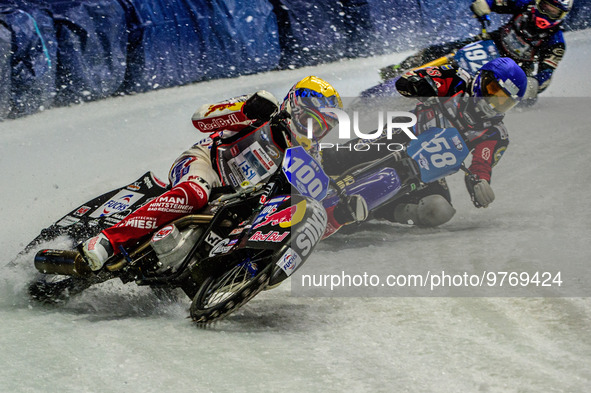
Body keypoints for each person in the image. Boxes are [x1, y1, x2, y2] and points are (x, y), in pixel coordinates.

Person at [81, 76, 360, 271]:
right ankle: (108, 240)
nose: (312, 133)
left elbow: (303, 222)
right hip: (207, 164)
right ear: (294, 106)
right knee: (194, 194)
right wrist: (245, 109)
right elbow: (201, 117)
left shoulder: (310, 160)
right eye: (309, 122)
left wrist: (337, 216)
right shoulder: (264, 109)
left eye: (320, 129)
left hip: (236, 203)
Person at [323, 57, 528, 227]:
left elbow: (482, 164)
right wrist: (418, 84)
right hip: (402, 133)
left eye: (504, 102)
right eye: (493, 92)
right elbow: (409, 81)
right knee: (341, 156)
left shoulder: (495, 134)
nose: (492, 104)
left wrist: (479, 182)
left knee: (438, 210)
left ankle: (376, 211)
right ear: (481, 78)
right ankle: (305, 168)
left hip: (426, 171)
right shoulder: (456, 78)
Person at [379, 0, 571, 99]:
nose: (546, 13)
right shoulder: (525, 4)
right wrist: (484, 5)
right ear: (538, 3)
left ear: (562, 15)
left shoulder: (556, 42)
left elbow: (547, 73)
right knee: (437, 51)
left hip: (514, 67)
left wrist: (535, 84)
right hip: (491, 42)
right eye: (545, 6)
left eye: (553, 11)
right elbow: (496, 2)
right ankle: (398, 69)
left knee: (513, 99)